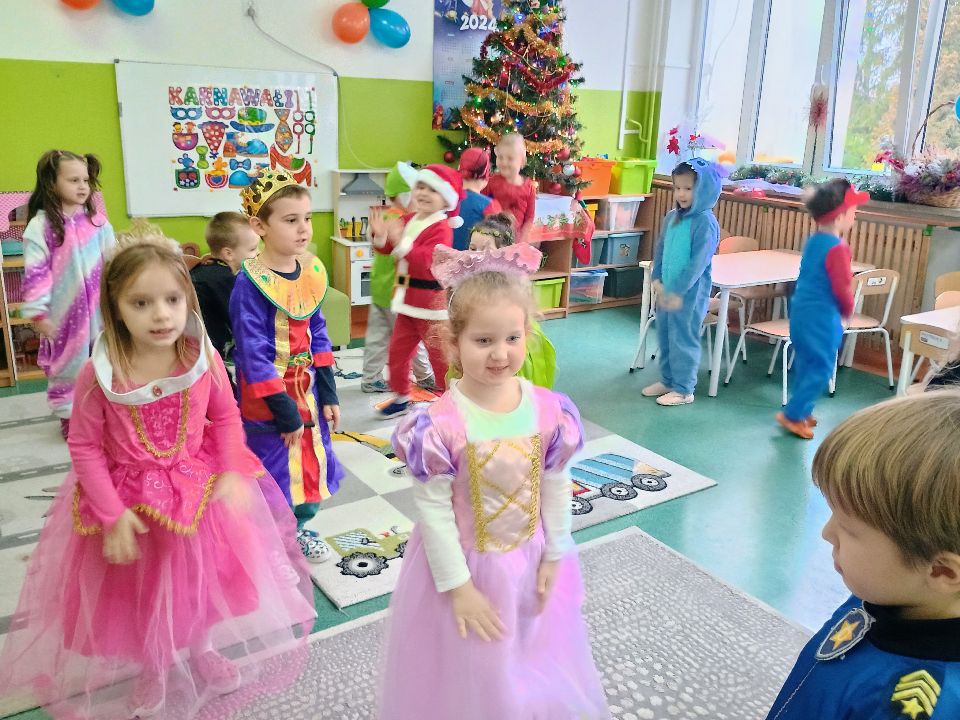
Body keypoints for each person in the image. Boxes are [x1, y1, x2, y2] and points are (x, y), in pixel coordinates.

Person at [0, 230, 315, 720]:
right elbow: (84, 444)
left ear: (187, 298)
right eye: (141, 303)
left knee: (200, 584)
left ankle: (201, 648)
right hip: (131, 502)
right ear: (115, 307)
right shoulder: (99, 372)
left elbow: (225, 417)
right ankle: (154, 663)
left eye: (171, 299)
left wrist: (232, 470)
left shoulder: (201, 357)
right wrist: (111, 514)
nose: (161, 315)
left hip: (196, 492)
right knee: (143, 594)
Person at [379, 243, 609, 720]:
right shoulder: (439, 426)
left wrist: (556, 553)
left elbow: (556, 484)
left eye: (512, 337)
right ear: (453, 342)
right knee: (473, 664)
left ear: (528, 334)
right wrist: (459, 587)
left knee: (529, 652)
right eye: (483, 340)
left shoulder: (549, 410)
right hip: (464, 568)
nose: (500, 353)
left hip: (530, 559)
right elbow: (435, 513)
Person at [766, 392, 960, 718]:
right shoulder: (882, 593)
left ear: (942, 572)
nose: (826, 533)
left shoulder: (913, 705)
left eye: (848, 528)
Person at [231, 170, 344, 562]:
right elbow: (252, 353)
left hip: (307, 393)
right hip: (270, 401)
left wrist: (328, 392)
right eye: (291, 220)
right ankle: (273, 538)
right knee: (276, 470)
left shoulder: (309, 270)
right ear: (259, 225)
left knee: (311, 463)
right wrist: (283, 411)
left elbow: (319, 333)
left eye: (307, 218)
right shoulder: (249, 283)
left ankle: (301, 528)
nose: (303, 228)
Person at [21, 149, 116, 438]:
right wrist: (38, 312)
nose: (83, 186)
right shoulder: (41, 227)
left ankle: (107, 413)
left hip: (101, 312)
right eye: (74, 180)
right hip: (64, 316)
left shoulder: (98, 223)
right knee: (68, 365)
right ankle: (69, 415)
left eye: (85, 180)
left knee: (106, 359)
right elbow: (36, 272)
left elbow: (115, 262)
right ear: (52, 183)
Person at [775, 179, 867, 439]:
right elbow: (842, 286)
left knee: (806, 363)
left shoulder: (813, 241)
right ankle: (793, 415)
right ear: (839, 217)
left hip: (801, 313)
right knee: (822, 367)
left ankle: (802, 410)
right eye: (853, 212)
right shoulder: (838, 249)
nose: (855, 217)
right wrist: (848, 309)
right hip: (822, 318)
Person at [369, 164, 463, 418]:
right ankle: (402, 396)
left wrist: (400, 241)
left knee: (440, 358)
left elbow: (427, 261)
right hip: (407, 302)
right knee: (397, 353)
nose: (423, 193)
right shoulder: (410, 219)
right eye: (420, 186)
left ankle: (451, 399)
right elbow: (389, 249)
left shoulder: (441, 228)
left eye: (432, 189)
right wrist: (381, 237)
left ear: (446, 199)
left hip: (431, 306)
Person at [643, 158, 722, 406]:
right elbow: (661, 249)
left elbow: (697, 264)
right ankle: (668, 380)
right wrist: (657, 278)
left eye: (688, 188)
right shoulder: (671, 217)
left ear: (704, 190)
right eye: (678, 188)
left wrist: (676, 290)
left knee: (683, 340)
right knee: (665, 336)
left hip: (689, 295)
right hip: (666, 291)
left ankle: (684, 389)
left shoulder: (705, 223)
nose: (681, 194)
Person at [361, 162, 436, 394]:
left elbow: (376, 241)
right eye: (417, 195)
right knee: (412, 337)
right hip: (398, 292)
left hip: (379, 289)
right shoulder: (408, 222)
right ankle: (425, 376)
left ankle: (370, 378)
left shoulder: (384, 216)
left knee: (377, 337)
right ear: (406, 196)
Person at [465, 213, 557, 388]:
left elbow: (523, 311)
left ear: (504, 252)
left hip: (508, 340)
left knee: (508, 383)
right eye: (472, 248)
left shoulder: (514, 280)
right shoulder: (468, 277)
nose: (476, 255)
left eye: (485, 249)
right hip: (482, 339)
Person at [190, 211, 260, 360]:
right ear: (228, 254)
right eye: (253, 249)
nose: (258, 253)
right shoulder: (224, 280)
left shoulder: (206, 269)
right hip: (208, 355)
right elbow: (245, 323)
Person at [483, 133, 537, 243]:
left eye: (510, 158)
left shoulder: (529, 187)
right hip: (493, 238)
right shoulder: (491, 183)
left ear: (522, 162)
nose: (504, 162)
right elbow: (482, 206)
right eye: (500, 157)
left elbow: (529, 217)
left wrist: (524, 236)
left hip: (516, 241)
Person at [453, 147, 502, 251]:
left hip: (442, 258)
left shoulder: (445, 198)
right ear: (486, 174)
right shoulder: (489, 205)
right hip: (473, 259)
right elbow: (498, 242)